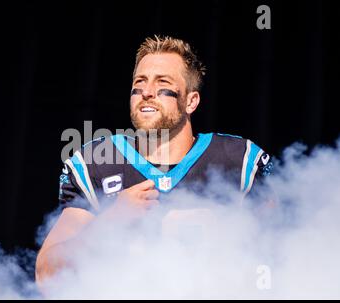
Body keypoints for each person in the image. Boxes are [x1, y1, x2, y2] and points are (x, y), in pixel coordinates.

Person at [35, 35, 273, 287]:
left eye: (163, 83)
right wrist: (110, 221)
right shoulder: (97, 161)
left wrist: (225, 233)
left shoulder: (236, 159)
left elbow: (284, 254)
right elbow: (46, 275)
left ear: (191, 101)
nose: (147, 92)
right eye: (140, 82)